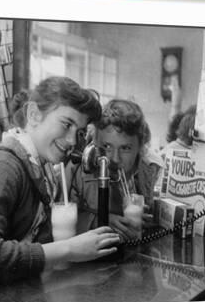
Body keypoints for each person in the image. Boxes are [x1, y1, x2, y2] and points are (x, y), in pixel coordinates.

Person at [0, 77, 120, 285]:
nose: (71, 141)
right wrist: (69, 249)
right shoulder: (3, 166)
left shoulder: (39, 166)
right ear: (33, 115)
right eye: (66, 124)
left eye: (79, 133)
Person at [67, 99, 163, 242]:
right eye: (107, 146)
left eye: (125, 148)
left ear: (140, 148)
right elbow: (61, 218)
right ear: (95, 142)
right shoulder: (77, 170)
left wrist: (151, 220)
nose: (115, 159)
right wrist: (100, 220)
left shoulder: (151, 171)